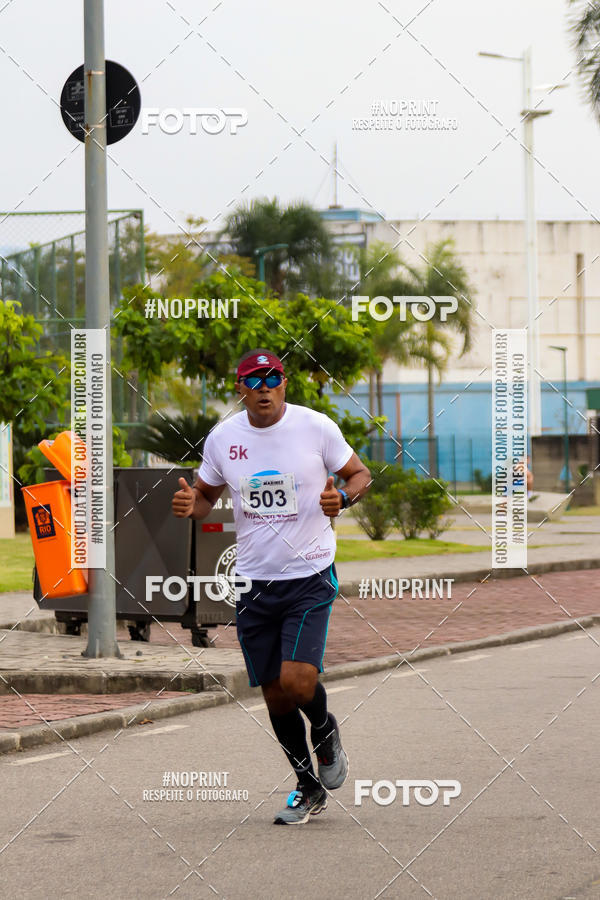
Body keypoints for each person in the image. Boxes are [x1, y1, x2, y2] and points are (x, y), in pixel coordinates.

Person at [172, 349, 371, 824]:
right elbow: (204, 497)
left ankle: (325, 731)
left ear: (284, 384)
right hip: (256, 583)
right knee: (275, 696)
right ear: (239, 388)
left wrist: (341, 497)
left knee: (297, 680)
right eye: (253, 379)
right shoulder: (224, 439)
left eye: (272, 377)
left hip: (310, 576)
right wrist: (190, 505)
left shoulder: (315, 427)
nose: (264, 386)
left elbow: (360, 474)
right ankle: (306, 787)